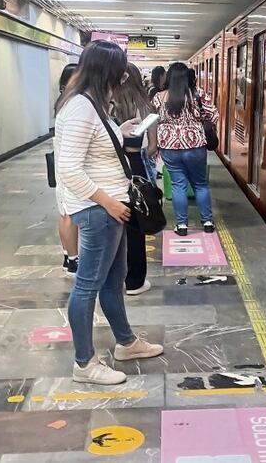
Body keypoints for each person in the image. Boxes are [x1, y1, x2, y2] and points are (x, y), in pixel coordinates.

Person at [54, 40, 164, 385]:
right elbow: (69, 168)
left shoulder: (91, 103)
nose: (122, 79)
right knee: (87, 286)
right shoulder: (81, 108)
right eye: (120, 73)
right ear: (107, 72)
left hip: (110, 209)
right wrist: (107, 202)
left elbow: (93, 150)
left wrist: (122, 131)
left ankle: (126, 343)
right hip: (99, 211)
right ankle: (84, 363)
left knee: (114, 281)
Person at [152, 62, 219, 236]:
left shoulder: (159, 97)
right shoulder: (197, 94)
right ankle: (208, 222)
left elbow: (153, 119)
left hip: (169, 146)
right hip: (195, 145)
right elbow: (214, 115)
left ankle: (181, 225)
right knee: (200, 184)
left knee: (178, 185)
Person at [111, 63, 157, 296]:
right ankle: (135, 281)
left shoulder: (107, 104)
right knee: (137, 224)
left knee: (113, 223)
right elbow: (153, 147)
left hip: (111, 168)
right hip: (136, 166)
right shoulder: (146, 106)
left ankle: (113, 279)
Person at [56, 62, 80, 277]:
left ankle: (67, 255)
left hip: (63, 164)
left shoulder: (62, 101)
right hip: (69, 165)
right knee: (69, 213)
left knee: (64, 212)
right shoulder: (73, 104)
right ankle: (73, 260)